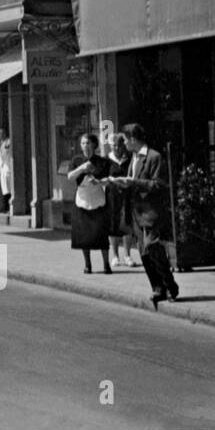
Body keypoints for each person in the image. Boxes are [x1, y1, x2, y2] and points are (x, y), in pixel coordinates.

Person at [108, 123, 178, 309]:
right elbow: (133, 184)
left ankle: (170, 285)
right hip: (135, 212)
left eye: (124, 140)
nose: (123, 144)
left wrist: (134, 182)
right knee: (144, 252)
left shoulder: (154, 157)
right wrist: (121, 184)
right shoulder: (133, 158)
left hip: (150, 211)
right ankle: (157, 288)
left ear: (132, 139)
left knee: (152, 246)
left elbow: (159, 184)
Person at [67, 133, 112, 274]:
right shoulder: (76, 160)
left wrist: (98, 180)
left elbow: (109, 178)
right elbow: (70, 176)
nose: (85, 146)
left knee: (101, 233)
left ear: (94, 145)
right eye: (82, 143)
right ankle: (88, 264)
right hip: (82, 198)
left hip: (97, 197)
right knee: (83, 235)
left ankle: (106, 264)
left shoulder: (102, 161)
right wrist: (82, 168)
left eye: (87, 143)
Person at [106, 133, 140, 267]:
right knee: (113, 224)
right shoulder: (107, 160)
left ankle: (127, 255)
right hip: (112, 195)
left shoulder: (129, 159)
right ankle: (115, 255)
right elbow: (103, 178)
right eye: (113, 145)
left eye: (118, 145)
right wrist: (112, 180)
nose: (115, 148)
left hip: (127, 194)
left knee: (127, 223)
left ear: (122, 146)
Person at [0, 129, 13, 211]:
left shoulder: (8, 142)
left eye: (2, 133)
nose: (0, 135)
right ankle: (5, 206)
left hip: (8, 167)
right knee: (4, 187)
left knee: (9, 186)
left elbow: (8, 152)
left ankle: (9, 206)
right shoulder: (0, 144)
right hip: (3, 168)